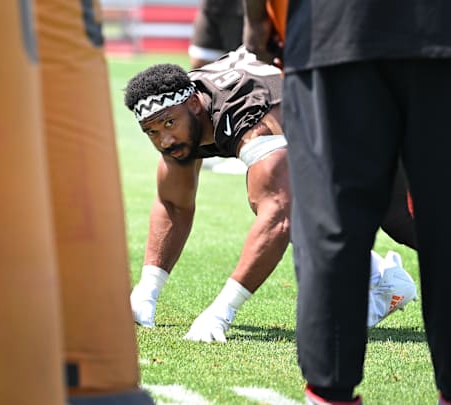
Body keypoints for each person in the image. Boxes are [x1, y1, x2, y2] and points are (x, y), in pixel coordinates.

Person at [242, 0, 451, 343]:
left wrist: (256, 21)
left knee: (430, 218)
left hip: (377, 40)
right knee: (362, 215)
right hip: (356, 41)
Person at [123, 48, 418, 344]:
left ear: (194, 105)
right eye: (152, 132)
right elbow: (174, 205)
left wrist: (221, 312)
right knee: (302, 207)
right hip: (317, 120)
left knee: (402, 219)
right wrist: (147, 290)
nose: (165, 139)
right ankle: (382, 280)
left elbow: (278, 218)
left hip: (360, 111)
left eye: (169, 124)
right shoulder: (182, 111)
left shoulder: (249, 119)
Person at [189, 0, 250, 175]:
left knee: (248, 65)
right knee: (200, 65)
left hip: (246, 7)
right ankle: (211, 140)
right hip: (215, 5)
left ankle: (244, 143)